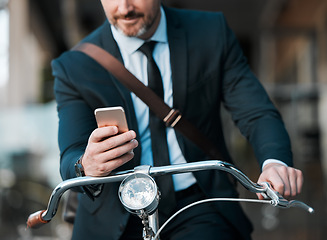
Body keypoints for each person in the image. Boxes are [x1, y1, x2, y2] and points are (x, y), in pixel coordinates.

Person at [52, 0, 303, 239]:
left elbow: (255, 112)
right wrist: (85, 165)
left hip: (200, 202)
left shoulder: (210, 32)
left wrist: (274, 163)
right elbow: (71, 155)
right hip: (112, 214)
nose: (124, 7)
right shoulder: (73, 66)